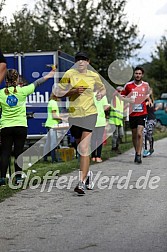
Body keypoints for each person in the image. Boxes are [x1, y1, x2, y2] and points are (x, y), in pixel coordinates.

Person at [54, 51, 106, 194]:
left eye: (84, 60)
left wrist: (101, 93)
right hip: (74, 115)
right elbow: (57, 93)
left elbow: (102, 87)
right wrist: (72, 92)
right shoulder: (69, 74)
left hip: (90, 114)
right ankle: (87, 174)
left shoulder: (94, 76)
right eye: (78, 60)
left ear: (88, 62)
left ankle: (81, 183)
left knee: (84, 148)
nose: (81, 62)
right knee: (80, 148)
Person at [0, 67, 56, 186]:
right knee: (18, 153)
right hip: (20, 126)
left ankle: (2, 178)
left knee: (5, 152)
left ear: (6, 80)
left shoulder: (0, 94)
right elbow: (37, 82)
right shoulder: (23, 91)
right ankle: (18, 178)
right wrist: (50, 74)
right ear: (17, 80)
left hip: (5, 126)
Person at [122, 66, 150, 164]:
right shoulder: (128, 85)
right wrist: (129, 100)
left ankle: (138, 154)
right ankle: (136, 151)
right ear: (134, 74)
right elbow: (122, 96)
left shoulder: (146, 85)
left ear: (142, 75)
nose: (138, 75)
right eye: (136, 73)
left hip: (142, 113)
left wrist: (148, 99)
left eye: (139, 74)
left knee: (139, 133)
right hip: (132, 113)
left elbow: (147, 95)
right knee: (134, 135)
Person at [43, 92, 62, 163]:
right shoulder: (54, 103)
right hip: (52, 125)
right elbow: (54, 116)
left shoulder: (50, 102)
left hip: (49, 124)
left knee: (48, 142)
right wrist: (62, 118)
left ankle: (45, 159)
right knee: (53, 143)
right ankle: (54, 159)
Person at [91, 94, 110, 162]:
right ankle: (98, 156)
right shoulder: (103, 96)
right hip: (101, 120)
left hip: (92, 120)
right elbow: (106, 106)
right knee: (99, 139)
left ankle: (93, 156)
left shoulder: (90, 95)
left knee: (92, 139)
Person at [109, 86, 124, 154]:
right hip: (114, 119)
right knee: (115, 134)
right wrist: (117, 91)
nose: (120, 93)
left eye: (121, 92)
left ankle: (117, 146)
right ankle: (114, 148)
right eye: (119, 91)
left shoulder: (121, 100)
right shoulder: (114, 98)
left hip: (119, 120)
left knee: (121, 134)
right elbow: (113, 95)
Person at [143, 88, 156, 157]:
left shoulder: (151, 100)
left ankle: (151, 148)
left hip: (151, 119)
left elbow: (150, 105)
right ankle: (145, 150)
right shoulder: (143, 99)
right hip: (145, 119)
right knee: (144, 133)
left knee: (149, 135)